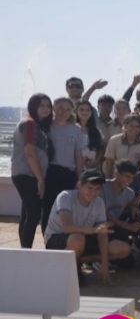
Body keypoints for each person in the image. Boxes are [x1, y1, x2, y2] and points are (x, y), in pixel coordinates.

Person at [44, 169, 131, 285]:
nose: (93, 193)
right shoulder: (65, 197)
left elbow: (102, 232)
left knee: (123, 249)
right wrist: (94, 230)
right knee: (77, 238)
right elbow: (67, 228)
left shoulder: (99, 202)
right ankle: (69, 270)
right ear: (79, 185)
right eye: (90, 188)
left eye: (97, 189)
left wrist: (104, 262)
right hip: (58, 238)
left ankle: (78, 262)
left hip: (84, 237)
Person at [12, 93, 54, 248]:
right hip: (27, 174)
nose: (45, 109)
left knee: (27, 213)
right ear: (33, 106)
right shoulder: (29, 124)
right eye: (41, 105)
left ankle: (24, 250)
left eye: (48, 106)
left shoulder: (38, 125)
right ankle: (27, 251)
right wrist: (40, 179)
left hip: (29, 174)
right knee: (34, 213)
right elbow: (29, 152)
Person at [41, 97, 84, 234]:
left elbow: (78, 156)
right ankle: (47, 240)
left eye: (67, 109)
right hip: (50, 173)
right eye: (60, 108)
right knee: (48, 207)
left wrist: (80, 178)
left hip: (68, 174)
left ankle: (65, 240)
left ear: (72, 111)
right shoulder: (46, 127)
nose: (63, 112)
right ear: (53, 108)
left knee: (66, 208)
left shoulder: (76, 129)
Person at [100, 160, 140, 254]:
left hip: (116, 226)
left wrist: (133, 208)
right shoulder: (102, 187)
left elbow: (126, 209)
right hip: (100, 226)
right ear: (116, 173)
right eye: (127, 176)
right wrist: (128, 226)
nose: (129, 181)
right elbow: (104, 214)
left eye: (132, 178)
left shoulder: (130, 193)